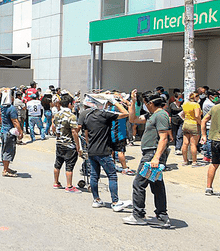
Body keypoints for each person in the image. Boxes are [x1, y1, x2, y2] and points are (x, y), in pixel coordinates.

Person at [124, 90, 171, 226]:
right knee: (156, 185)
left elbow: (163, 138)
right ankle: (162, 216)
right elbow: (133, 119)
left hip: (152, 155)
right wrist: (132, 102)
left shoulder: (161, 115)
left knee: (139, 184)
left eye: (144, 103)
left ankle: (138, 215)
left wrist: (156, 158)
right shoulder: (151, 115)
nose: (144, 105)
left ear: (150, 103)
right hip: (150, 154)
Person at [79, 95, 129, 211]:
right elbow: (125, 113)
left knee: (94, 175)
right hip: (103, 150)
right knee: (112, 175)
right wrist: (115, 102)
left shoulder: (88, 116)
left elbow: (86, 136)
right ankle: (115, 202)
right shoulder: (104, 114)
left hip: (92, 150)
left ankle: (96, 199)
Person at [52, 94, 82, 192]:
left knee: (58, 163)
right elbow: (74, 131)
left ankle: (56, 182)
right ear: (69, 104)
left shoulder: (57, 114)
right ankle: (69, 186)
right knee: (69, 165)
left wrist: (57, 134)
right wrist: (78, 146)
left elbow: (53, 126)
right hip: (69, 144)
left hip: (59, 142)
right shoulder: (71, 116)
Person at [0, 88, 23, 177]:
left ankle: (6, 167)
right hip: (9, 132)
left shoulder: (2, 107)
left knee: (4, 149)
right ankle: (5, 170)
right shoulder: (11, 108)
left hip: (3, 131)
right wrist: (20, 132)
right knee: (9, 150)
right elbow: (15, 121)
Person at [180, 91, 201, 166]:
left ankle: (185, 161)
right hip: (193, 124)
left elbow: (182, 114)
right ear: (195, 97)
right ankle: (194, 162)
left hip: (186, 123)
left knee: (185, 143)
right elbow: (197, 115)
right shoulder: (196, 105)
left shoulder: (185, 104)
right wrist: (200, 123)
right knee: (193, 144)